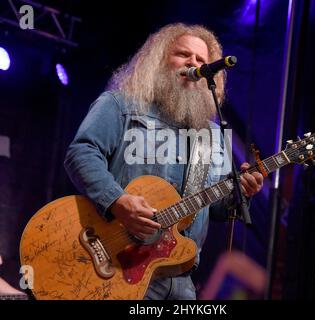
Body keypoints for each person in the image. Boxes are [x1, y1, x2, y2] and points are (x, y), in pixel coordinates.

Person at [64, 23, 263, 300]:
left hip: (181, 281)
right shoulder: (121, 105)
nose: (194, 63)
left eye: (202, 60)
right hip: (118, 267)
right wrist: (117, 201)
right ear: (159, 60)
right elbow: (81, 153)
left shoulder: (211, 134)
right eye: (183, 54)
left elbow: (215, 208)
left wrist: (241, 193)